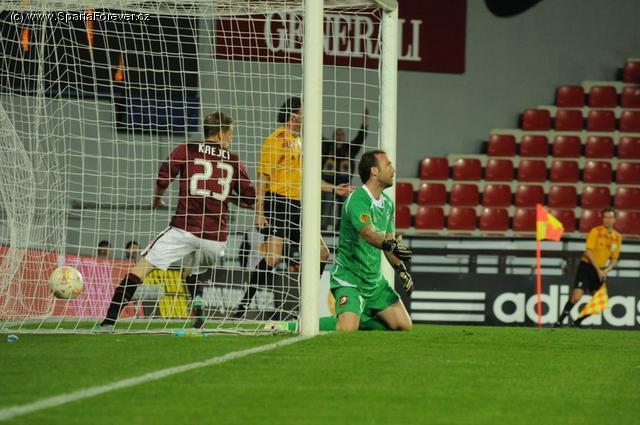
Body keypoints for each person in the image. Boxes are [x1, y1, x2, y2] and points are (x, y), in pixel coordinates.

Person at [95, 112, 256, 331]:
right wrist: (233, 198)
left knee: (140, 268)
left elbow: (163, 178)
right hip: (216, 239)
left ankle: (108, 321)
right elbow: (250, 198)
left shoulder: (187, 149)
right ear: (220, 133)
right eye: (230, 133)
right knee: (193, 268)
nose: (231, 138)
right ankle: (197, 300)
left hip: (184, 228)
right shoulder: (233, 160)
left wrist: (156, 200)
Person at [235, 96, 351, 318]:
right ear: (294, 116)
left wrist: (334, 189)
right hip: (277, 203)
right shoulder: (275, 140)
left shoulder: (302, 142)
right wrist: (259, 211)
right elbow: (263, 177)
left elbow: (309, 178)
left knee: (322, 253)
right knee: (273, 258)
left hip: (297, 207)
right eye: (303, 112)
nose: (307, 116)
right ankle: (243, 306)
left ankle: (306, 306)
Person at [330, 149, 413, 331]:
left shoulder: (388, 204)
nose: (393, 169)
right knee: (347, 330)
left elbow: (389, 242)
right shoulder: (358, 199)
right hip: (350, 278)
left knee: (403, 326)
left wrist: (401, 269)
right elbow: (368, 233)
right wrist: (389, 244)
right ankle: (302, 325)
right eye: (388, 165)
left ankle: (359, 316)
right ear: (374, 171)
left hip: (374, 282)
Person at [554, 208, 621, 328]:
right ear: (602, 219)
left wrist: (606, 270)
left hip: (601, 270)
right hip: (587, 267)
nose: (608, 220)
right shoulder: (596, 231)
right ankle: (559, 322)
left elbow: (614, 258)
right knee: (576, 297)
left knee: (600, 303)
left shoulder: (617, 237)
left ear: (615, 219)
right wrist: (598, 270)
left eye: (610, 217)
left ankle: (576, 323)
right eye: (605, 217)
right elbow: (588, 252)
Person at [321, 108, 368, 230]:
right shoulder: (327, 146)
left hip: (345, 183)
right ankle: (323, 228)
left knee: (345, 206)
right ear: (334, 136)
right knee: (327, 205)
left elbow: (360, 138)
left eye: (342, 134)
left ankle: (342, 229)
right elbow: (317, 136)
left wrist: (365, 121)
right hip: (328, 183)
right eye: (337, 134)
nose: (340, 136)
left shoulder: (350, 148)